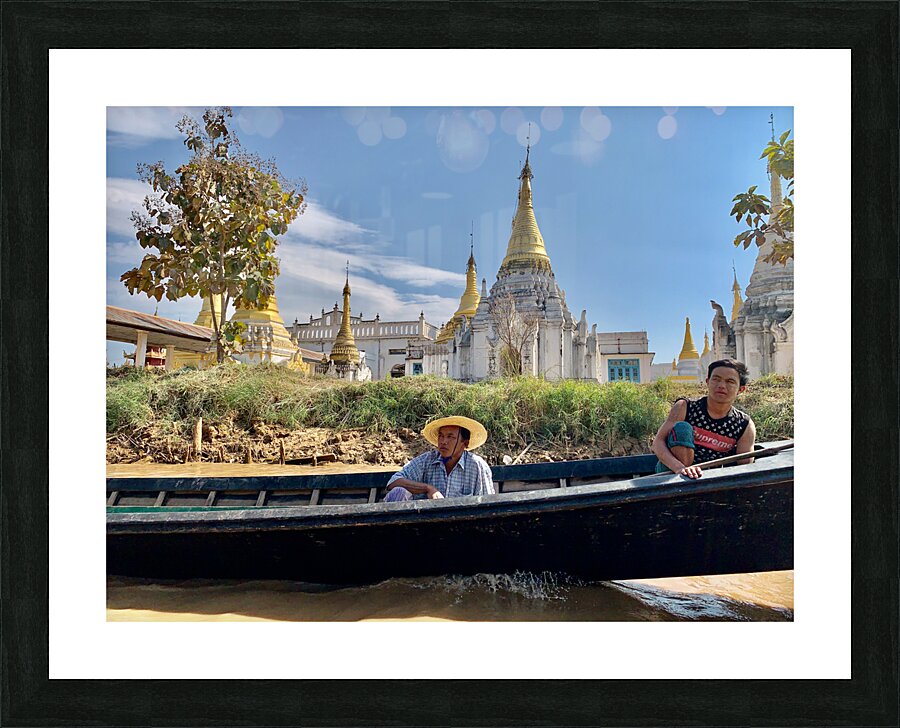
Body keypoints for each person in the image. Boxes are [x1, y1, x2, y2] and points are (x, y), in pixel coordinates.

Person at [651, 358, 757, 479]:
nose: (721, 386)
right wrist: (680, 468)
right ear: (707, 382)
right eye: (716, 379)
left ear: (740, 389)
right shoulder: (685, 407)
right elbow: (658, 442)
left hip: (712, 479)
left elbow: (744, 466)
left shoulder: (744, 424)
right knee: (682, 428)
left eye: (730, 382)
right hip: (672, 473)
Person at [383, 416, 494, 501]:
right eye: (441, 436)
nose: (443, 441)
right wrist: (428, 488)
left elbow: (488, 504)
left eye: (450, 437)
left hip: (463, 526)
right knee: (398, 492)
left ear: (465, 443)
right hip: (424, 525)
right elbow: (393, 482)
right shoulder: (427, 460)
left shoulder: (477, 466)